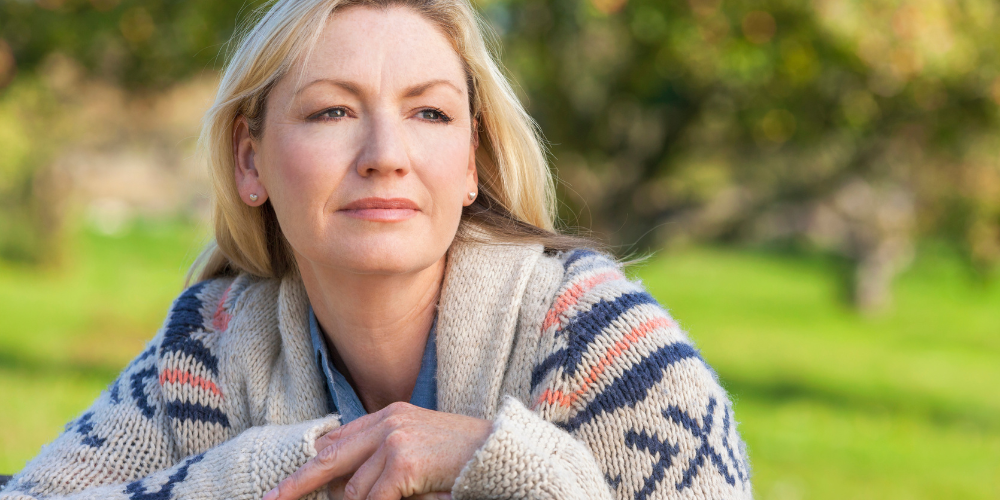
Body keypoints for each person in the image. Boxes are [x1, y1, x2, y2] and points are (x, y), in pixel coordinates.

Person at [0, 0, 752, 498]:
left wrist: (489, 460)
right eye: (331, 110)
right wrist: (246, 472)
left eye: (429, 112)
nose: (385, 154)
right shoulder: (213, 346)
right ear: (249, 160)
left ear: (470, 164)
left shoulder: (595, 337)